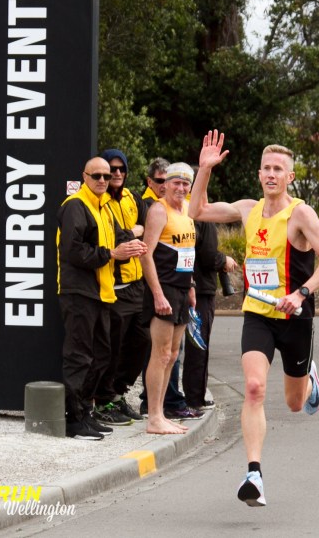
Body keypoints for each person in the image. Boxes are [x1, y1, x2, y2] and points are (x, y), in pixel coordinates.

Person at [189, 130, 319, 507]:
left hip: (295, 317)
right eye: (266, 168)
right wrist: (204, 170)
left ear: (290, 177)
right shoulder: (247, 209)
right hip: (257, 313)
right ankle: (253, 473)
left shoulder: (300, 213)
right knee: (254, 387)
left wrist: (300, 293)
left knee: (293, 403)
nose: (271, 174)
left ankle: (310, 382)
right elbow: (197, 212)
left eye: (278, 169)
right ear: (259, 174)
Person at [56, 157, 146, 440]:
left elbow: (117, 237)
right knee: (79, 357)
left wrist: (131, 243)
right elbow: (73, 251)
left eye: (106, 176)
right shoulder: (75, 206)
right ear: (84, 176)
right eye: (97, 175)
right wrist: (111, 255)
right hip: (79, 292)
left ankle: (86, 412)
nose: (103, 180)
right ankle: (73, 420)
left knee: (101, 355)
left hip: (102, 293)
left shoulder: (104, 206)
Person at [92, 149, 150, 426]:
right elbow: (117, 237)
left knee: (142, 342)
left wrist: (138, 232)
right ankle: (104, 399)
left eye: (120, 170)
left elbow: (148, 227)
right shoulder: (100, 201)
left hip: (137, 285)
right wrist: (134, 232)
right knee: (111, 347)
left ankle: (119, 391)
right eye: (110, 170)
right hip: (114, 285)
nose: (115, 174)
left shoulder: (132, 197)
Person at [141, 162, 198, 435]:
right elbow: (145, 253)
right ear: (166, 185)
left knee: (173, 354)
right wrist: (157, 293)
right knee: (161, 353)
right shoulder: (158, 210)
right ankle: (153, 416)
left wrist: (191, 287)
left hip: (181, 288)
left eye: (186, 184)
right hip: (162, 289)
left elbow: (187, 251)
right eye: (176, 183)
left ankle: (161, 413)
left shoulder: (187, 210)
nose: (181, 188)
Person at [183, 214, 237, 410]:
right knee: (198, 344)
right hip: (200, 290)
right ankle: (194, 398)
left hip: (191, 285)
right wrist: (224, 259)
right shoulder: (200, 217)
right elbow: (206, 256)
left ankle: (186, 396)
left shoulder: (188, 213)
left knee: (185, 346)